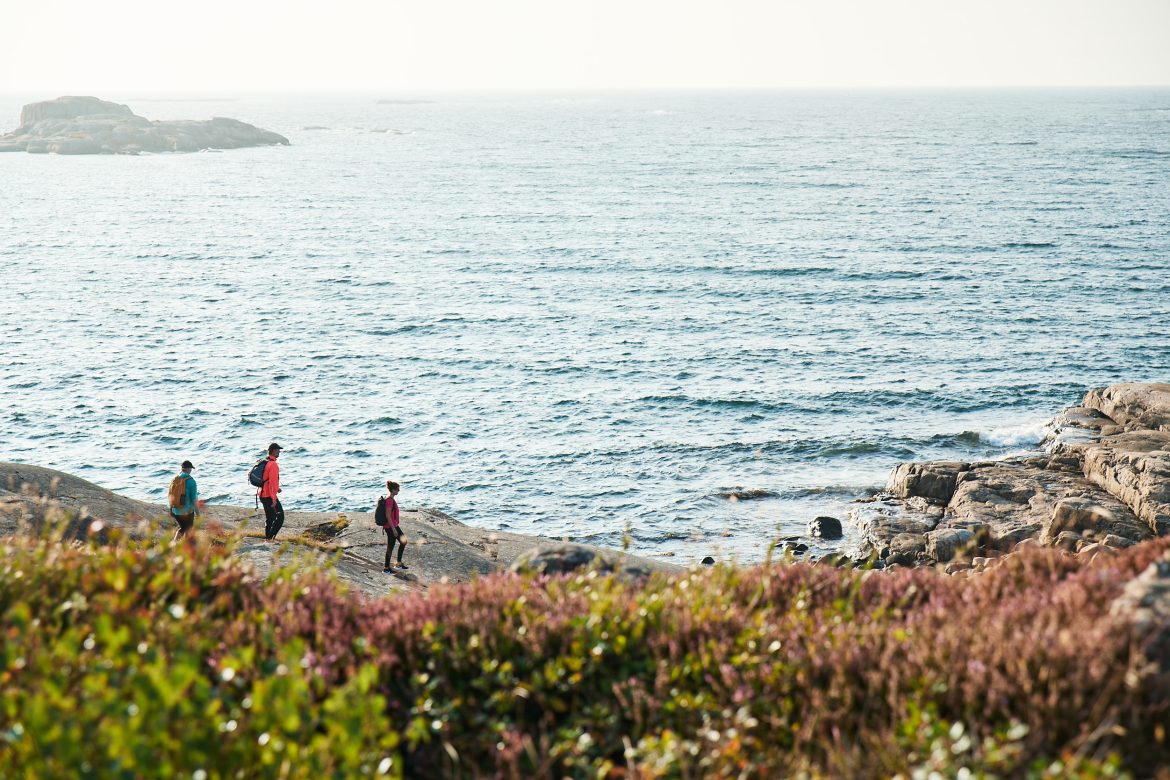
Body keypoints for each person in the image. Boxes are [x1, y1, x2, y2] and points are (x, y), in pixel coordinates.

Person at [168, 460, 205, 541]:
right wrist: (198, 513)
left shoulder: (174, 479)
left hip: (176, 509)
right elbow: (194, 499)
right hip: (187, 511)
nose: (191, 470)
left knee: (183, 528)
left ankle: (175, 544)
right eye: (191, 469)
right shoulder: (191, 481)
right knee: (188, 530)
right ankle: (178, 545)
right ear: (188, 469)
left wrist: (170, 509)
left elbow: (170, 494)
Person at [258, 442, 284, 541]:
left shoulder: (265, 461)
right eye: (278, 450)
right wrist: (274, 500)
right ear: (273, 451)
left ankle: (268, 538)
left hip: (262, 494)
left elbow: (267, 479)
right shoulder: (273, 465)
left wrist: (277, 488)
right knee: (280, 517)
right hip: (269, 496)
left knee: (270, 519)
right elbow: (272, 483)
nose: (279, 452)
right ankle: (270, 538)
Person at [383, 480, 408, 573]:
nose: (399, 491)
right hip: (390, 527)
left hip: (393, 525)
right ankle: (386, 568)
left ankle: (398, 563)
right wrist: (393, 529)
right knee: (391, 546)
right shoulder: (389, 500)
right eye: (397, 489)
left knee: (403, 541)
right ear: (393, 490)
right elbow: (388, 515)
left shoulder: (390, 498)